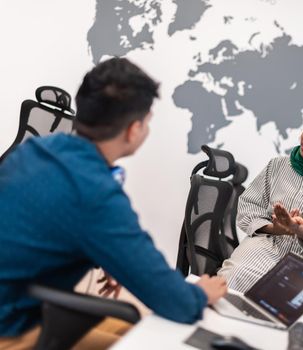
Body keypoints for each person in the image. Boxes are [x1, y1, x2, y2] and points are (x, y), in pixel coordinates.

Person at [0, 57, 227, 349]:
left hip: (14, 301)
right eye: (147, 122)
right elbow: (176, 302)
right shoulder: (96, 193)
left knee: (119, 328)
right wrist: (202, 292)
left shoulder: (35, 149)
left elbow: (42, 224)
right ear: (133, 130)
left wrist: (103, 253)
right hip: (10, 330)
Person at [218, 109, 303, 292]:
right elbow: (248, 207)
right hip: (266, 243)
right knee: (234, 274)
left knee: (286, 299)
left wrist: (299, 230)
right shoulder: (277, 165)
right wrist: (274, 228)